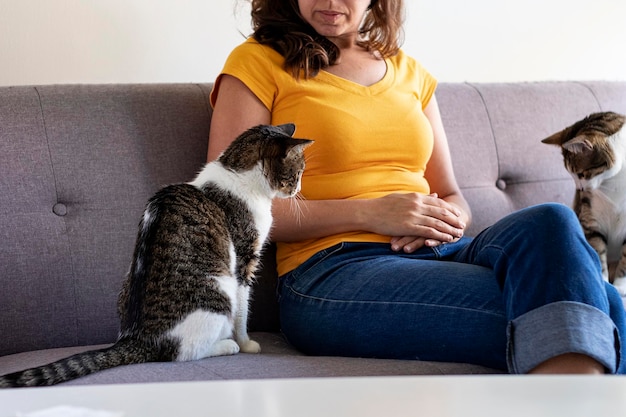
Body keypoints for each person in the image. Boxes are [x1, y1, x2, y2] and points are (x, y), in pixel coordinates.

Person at [207, 0, 625, 374]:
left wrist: (444, 217)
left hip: (444, 249)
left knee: (551, 221)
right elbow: (230, 208)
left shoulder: (410, 72)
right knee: (594, 306)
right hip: (332, 271)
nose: (331, 2)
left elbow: (451, 195)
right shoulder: (258, 63)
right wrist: (373, 213)